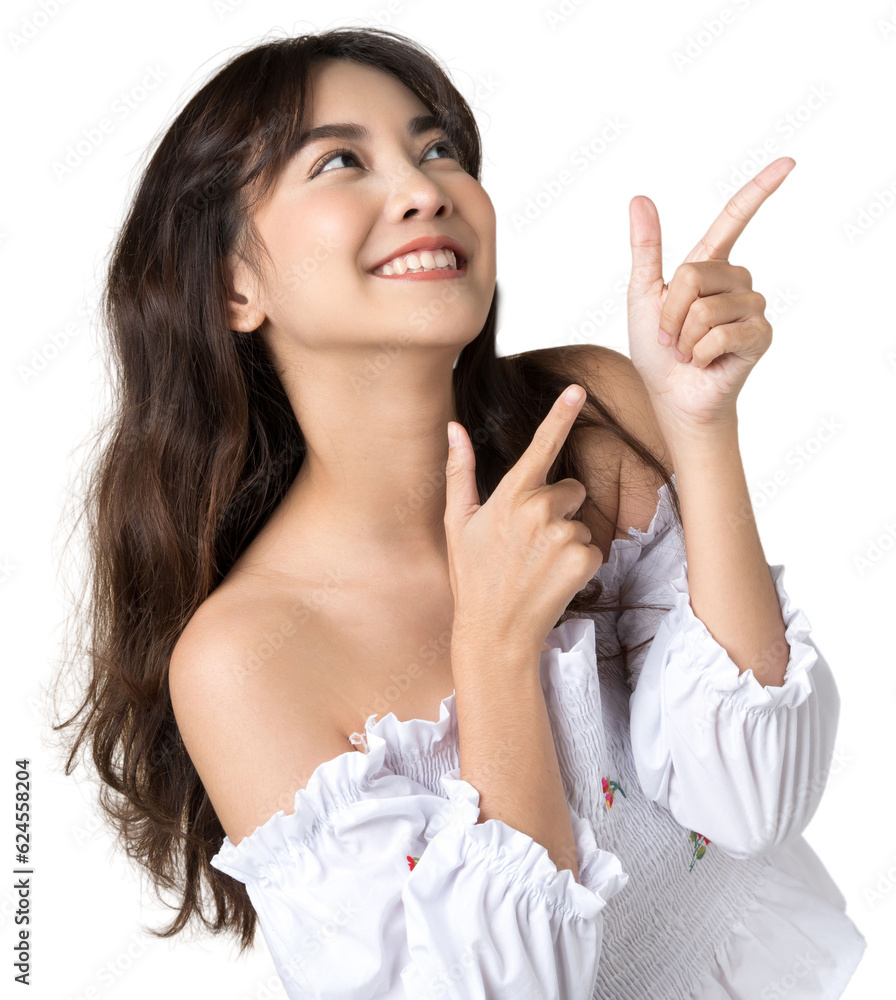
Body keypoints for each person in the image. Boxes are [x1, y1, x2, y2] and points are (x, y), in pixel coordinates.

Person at [51, 25, 867, 1000]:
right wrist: (491, 648)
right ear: (233, 282)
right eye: (340, 160)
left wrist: (699, 424)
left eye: (436, 148)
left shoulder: (589, 408)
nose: (424, 187)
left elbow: (752, 796)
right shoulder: (245, 655)